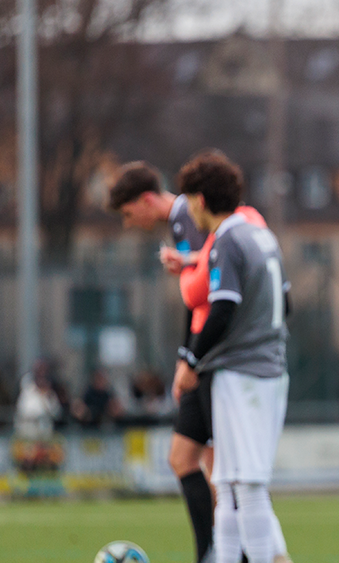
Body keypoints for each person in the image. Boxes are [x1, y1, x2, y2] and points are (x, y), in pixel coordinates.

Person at [172, 149, 291, 563]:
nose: (189, 211)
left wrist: (191, 361)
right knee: (226, 484)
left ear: (201, 201)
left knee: (247, 486)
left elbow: (222, 307)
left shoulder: (226, 240)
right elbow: (287, 303)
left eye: (190, 201)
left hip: (243, 374)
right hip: (267, 368)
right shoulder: (261, 234)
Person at [108, 160, 216, 563]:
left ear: (146, 200)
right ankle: (211, 552)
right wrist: (185, 357)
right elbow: (197, 296)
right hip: (199, 357)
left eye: (127, 213)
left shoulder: (188, 217)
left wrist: (192, 357)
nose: (128, 223)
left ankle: (237, 551)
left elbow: (218, 278)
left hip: (214, 358)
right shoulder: (180, 224)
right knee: (183, 458)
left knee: (217, 467)